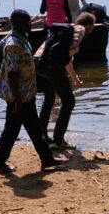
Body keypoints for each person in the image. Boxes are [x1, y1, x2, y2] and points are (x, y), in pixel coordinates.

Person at [0, 9, 66, 174]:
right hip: (19, 95)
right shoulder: (14, 45)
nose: (30, 24)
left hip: (25, 92)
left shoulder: (18, 38)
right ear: (17, 24)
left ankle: (46, 159)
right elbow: (12, 74)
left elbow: (1, 43)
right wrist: (17, 100)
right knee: (14, 130)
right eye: (27, 22)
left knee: (31, 127)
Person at [38, 11, 96, 149]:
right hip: (52, 65)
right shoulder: (80, 29)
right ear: (88, 24)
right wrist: (75, 50)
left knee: (49, 97)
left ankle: (41, 136)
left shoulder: (63, 31)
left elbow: (65, 58)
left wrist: (75, 78)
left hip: (39, 63)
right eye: (92, 26)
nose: (91, 30)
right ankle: (58, 140)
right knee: (69, 101)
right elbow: (72, 48)